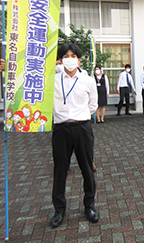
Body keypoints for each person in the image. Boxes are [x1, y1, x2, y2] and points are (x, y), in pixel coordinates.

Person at [51, 44, 99, 227]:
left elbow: (93, 105)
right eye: (66, 56)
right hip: (61, 129)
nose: (69, 59)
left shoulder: (88, 80)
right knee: (60, 170)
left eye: (73, 56)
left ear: (79, 60)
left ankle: (90, 206)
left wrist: (80, 116)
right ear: (61, 60)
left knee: (87, 168)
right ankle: (59, 209)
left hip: (82, 129)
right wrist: (5, 71)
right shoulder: (53, 80)